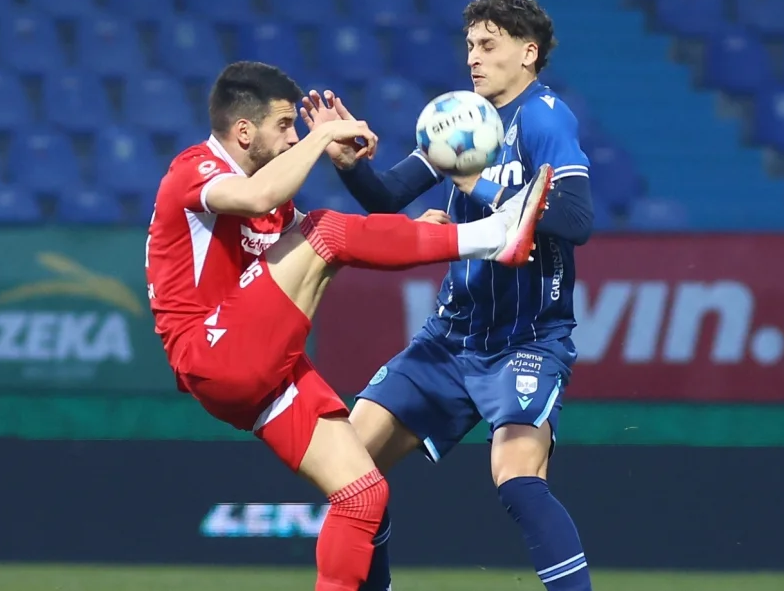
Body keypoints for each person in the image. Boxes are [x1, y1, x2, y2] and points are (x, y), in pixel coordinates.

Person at [145, 60, 555, 591]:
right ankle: (497, 236)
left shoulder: (275, 204)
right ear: (243, 132)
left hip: (264, 374)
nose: (293, 137)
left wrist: (409, 230)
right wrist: (323, 137)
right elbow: (277, 209)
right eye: (284, 125)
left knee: (363, 494)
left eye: (297, 127)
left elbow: (344, 242)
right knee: (323, 231)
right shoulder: (196, 168)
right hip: (212, 352)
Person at [300, 0, 596, 591]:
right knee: (350, 473)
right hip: (449, 339)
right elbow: (386, 198)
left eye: (488, 45)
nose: (473, 58)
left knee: (517, 479)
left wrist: (478, 183)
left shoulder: (545, 118)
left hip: (525, 340)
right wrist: (350, 165)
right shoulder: (463, 118)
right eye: (469, 46)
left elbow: (576, 218)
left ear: (528, 52)